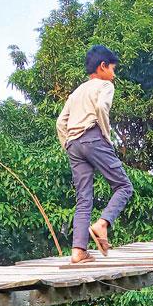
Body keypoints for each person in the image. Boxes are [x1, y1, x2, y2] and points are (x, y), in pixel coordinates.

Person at [56, 45, 134, 264]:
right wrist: (106, 136)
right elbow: (101, 107)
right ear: (103, 66)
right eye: (113, 68)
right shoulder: (105, 86)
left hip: (73, 143)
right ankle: (102, 223)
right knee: (123, 186)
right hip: (93, 137)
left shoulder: (77, 92)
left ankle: (78, 251)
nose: (114, 73)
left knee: (83, 198)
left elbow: (60, 122)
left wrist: (67, 144)